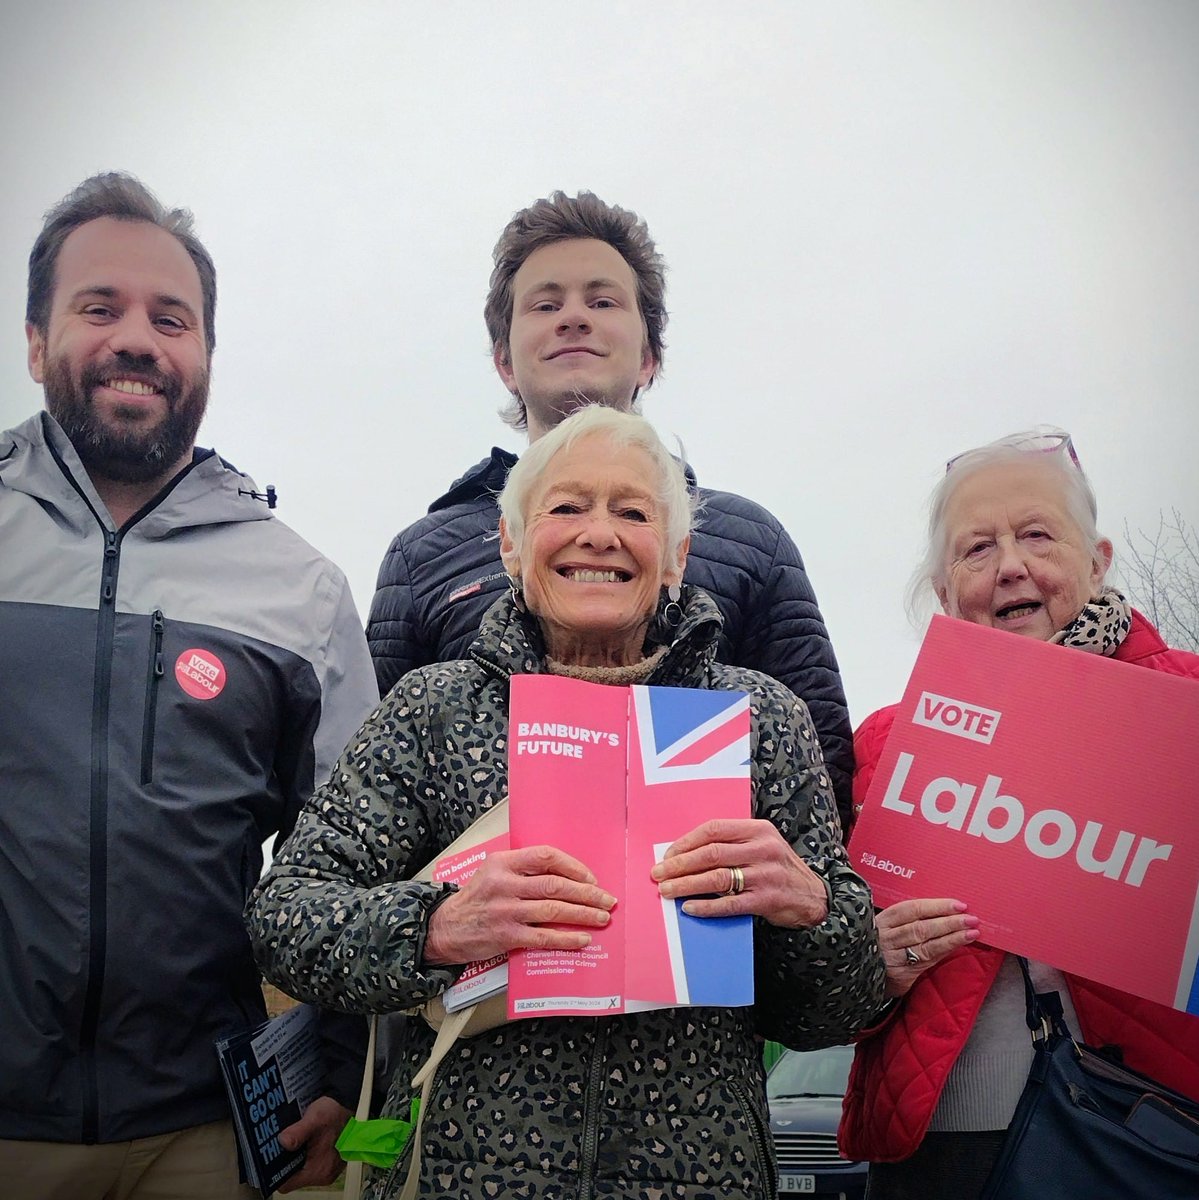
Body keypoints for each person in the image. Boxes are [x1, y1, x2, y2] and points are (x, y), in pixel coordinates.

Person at [249, 404, 886, 1199]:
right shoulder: (432, 709)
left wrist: (812, 909)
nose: (599, 533)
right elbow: (285, 917)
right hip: (465, 1176)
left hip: (698, 1178)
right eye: (566, 507)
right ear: (513, 545)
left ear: (677, 555)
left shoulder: (760, 719)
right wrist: (437, 926)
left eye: (632, 511)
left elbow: (836, 1011)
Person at [0, 173, 379, 1198]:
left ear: (204, 356)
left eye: (171, 320)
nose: (138, 339)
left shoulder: (299, 587)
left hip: (205, 1136)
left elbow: (363, 855)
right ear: (37, 342)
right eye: (99, 308)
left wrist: (342, 1071)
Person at [366, 190, 856, 832]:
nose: (574, 318)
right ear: (504, 360)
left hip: (701, 918)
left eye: (602, 301)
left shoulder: (750, 540)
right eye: (546, 304)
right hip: (490, 923)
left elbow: (821, 769)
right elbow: (370, 780)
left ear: (650, 355)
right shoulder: (423, 555)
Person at [837, 429, 1199, 1199]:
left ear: (1095, 560)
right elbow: (826, 980)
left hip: (1140, 1138)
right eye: (975, 549)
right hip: (936, 1151)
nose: (1009, 565)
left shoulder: (1186, 706)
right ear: (943, 590)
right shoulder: (886, 743)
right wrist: (872, 965)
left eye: (1036, 535)